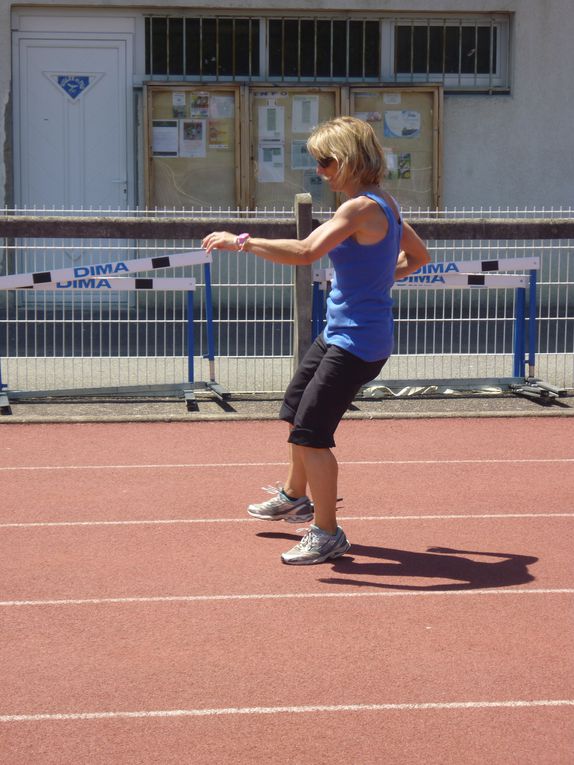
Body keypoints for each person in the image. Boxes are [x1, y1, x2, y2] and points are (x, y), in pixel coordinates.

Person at [202, 116, 430, 566]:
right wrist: (383, 277)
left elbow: (306, 252)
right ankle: (293, 496)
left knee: (312, 433)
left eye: (326, 162)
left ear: (348, 159)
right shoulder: (384, 204)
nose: (321, 171)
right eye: (318, 163)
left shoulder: (360, 209)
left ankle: (327, 532)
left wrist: (240, 241)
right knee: (294, 408)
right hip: (339, 331)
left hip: (358, 342)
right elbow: (419, 257)